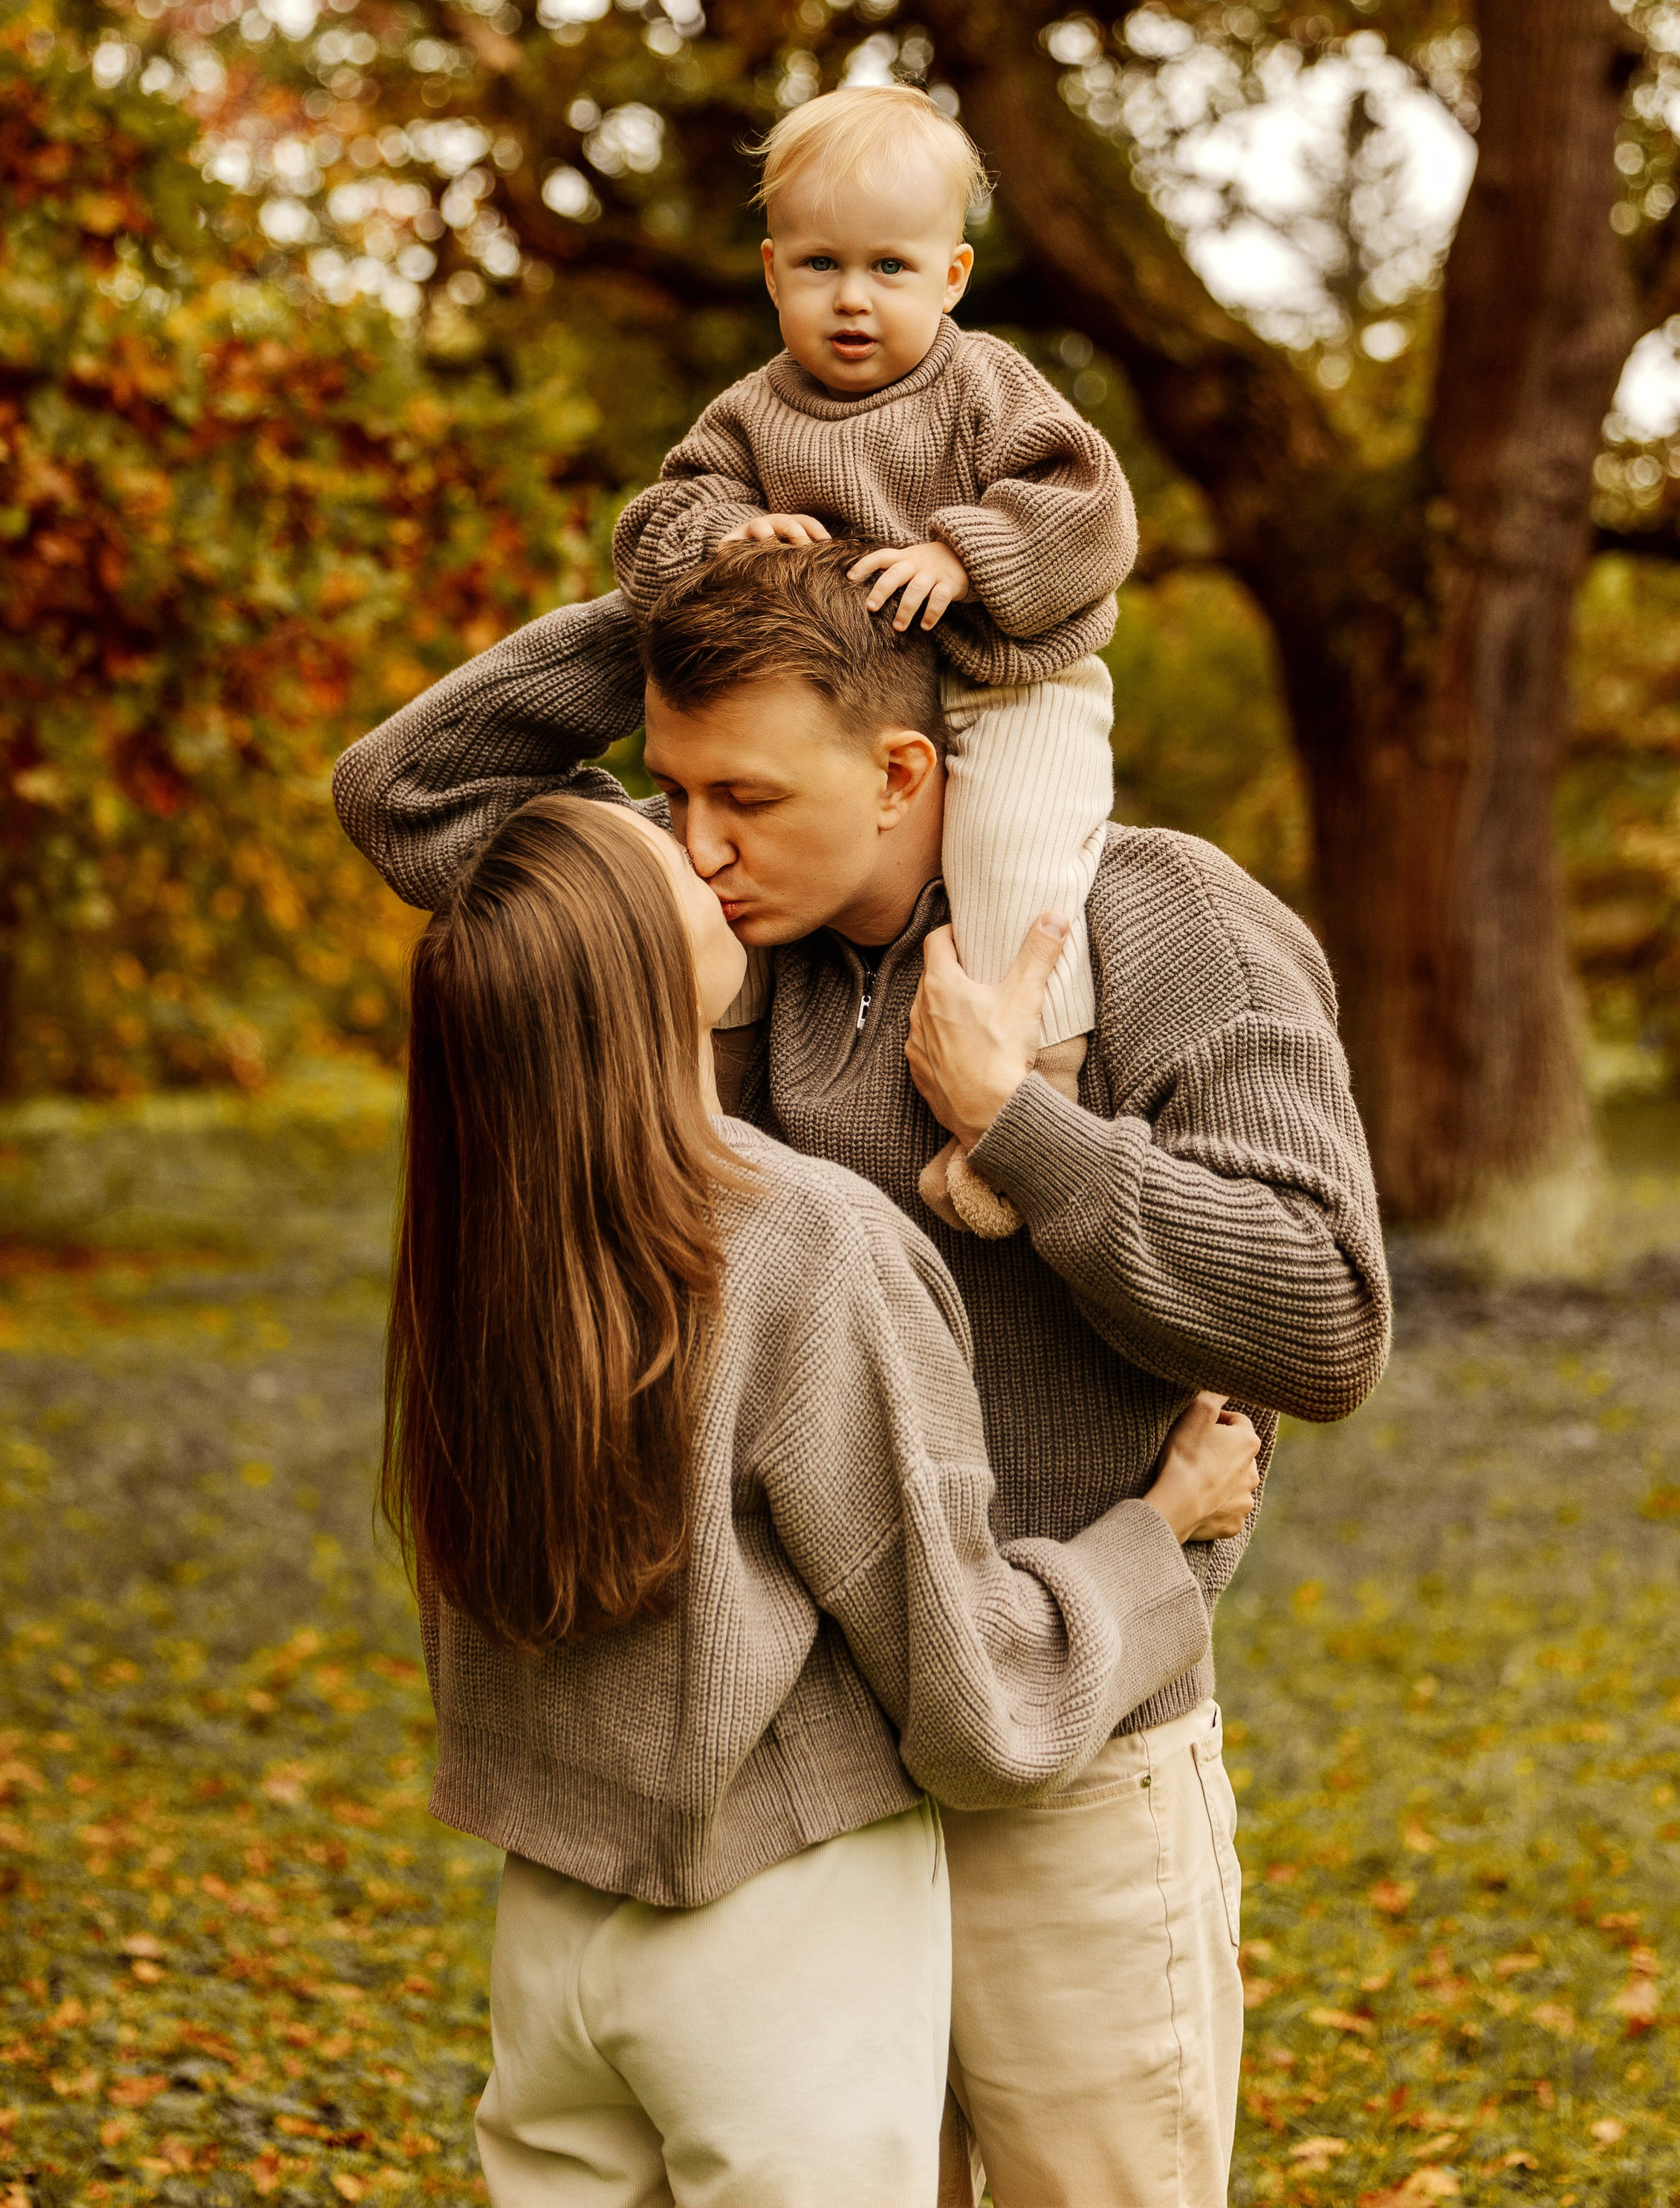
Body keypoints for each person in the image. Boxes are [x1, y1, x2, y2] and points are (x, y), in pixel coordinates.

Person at [335, 543, 1392, 2208]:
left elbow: (1323, 1319)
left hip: (1072, 1762)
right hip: (809, 1806)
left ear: (903, 769)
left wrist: (1019, 1125)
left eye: (743, 796)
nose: (695, 843)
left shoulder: (1156, 916)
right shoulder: (718, 933)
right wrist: (686, 599)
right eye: (674, 790)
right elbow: (407, 799)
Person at [612, 83, 1132, 1231]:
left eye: (890, 267)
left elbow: (1090, 508)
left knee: (1015, 862)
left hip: (1009, 682)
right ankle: (711, 1109)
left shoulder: (984, 385)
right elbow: (657, 524)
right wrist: (725, 537)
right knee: (705, 892)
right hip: (828, 720)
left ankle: (1027, 1097)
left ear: (951, 276)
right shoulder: (751, 414)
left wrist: (967, 554)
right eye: (820, 265)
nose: (852, 299)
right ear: (772, 272)